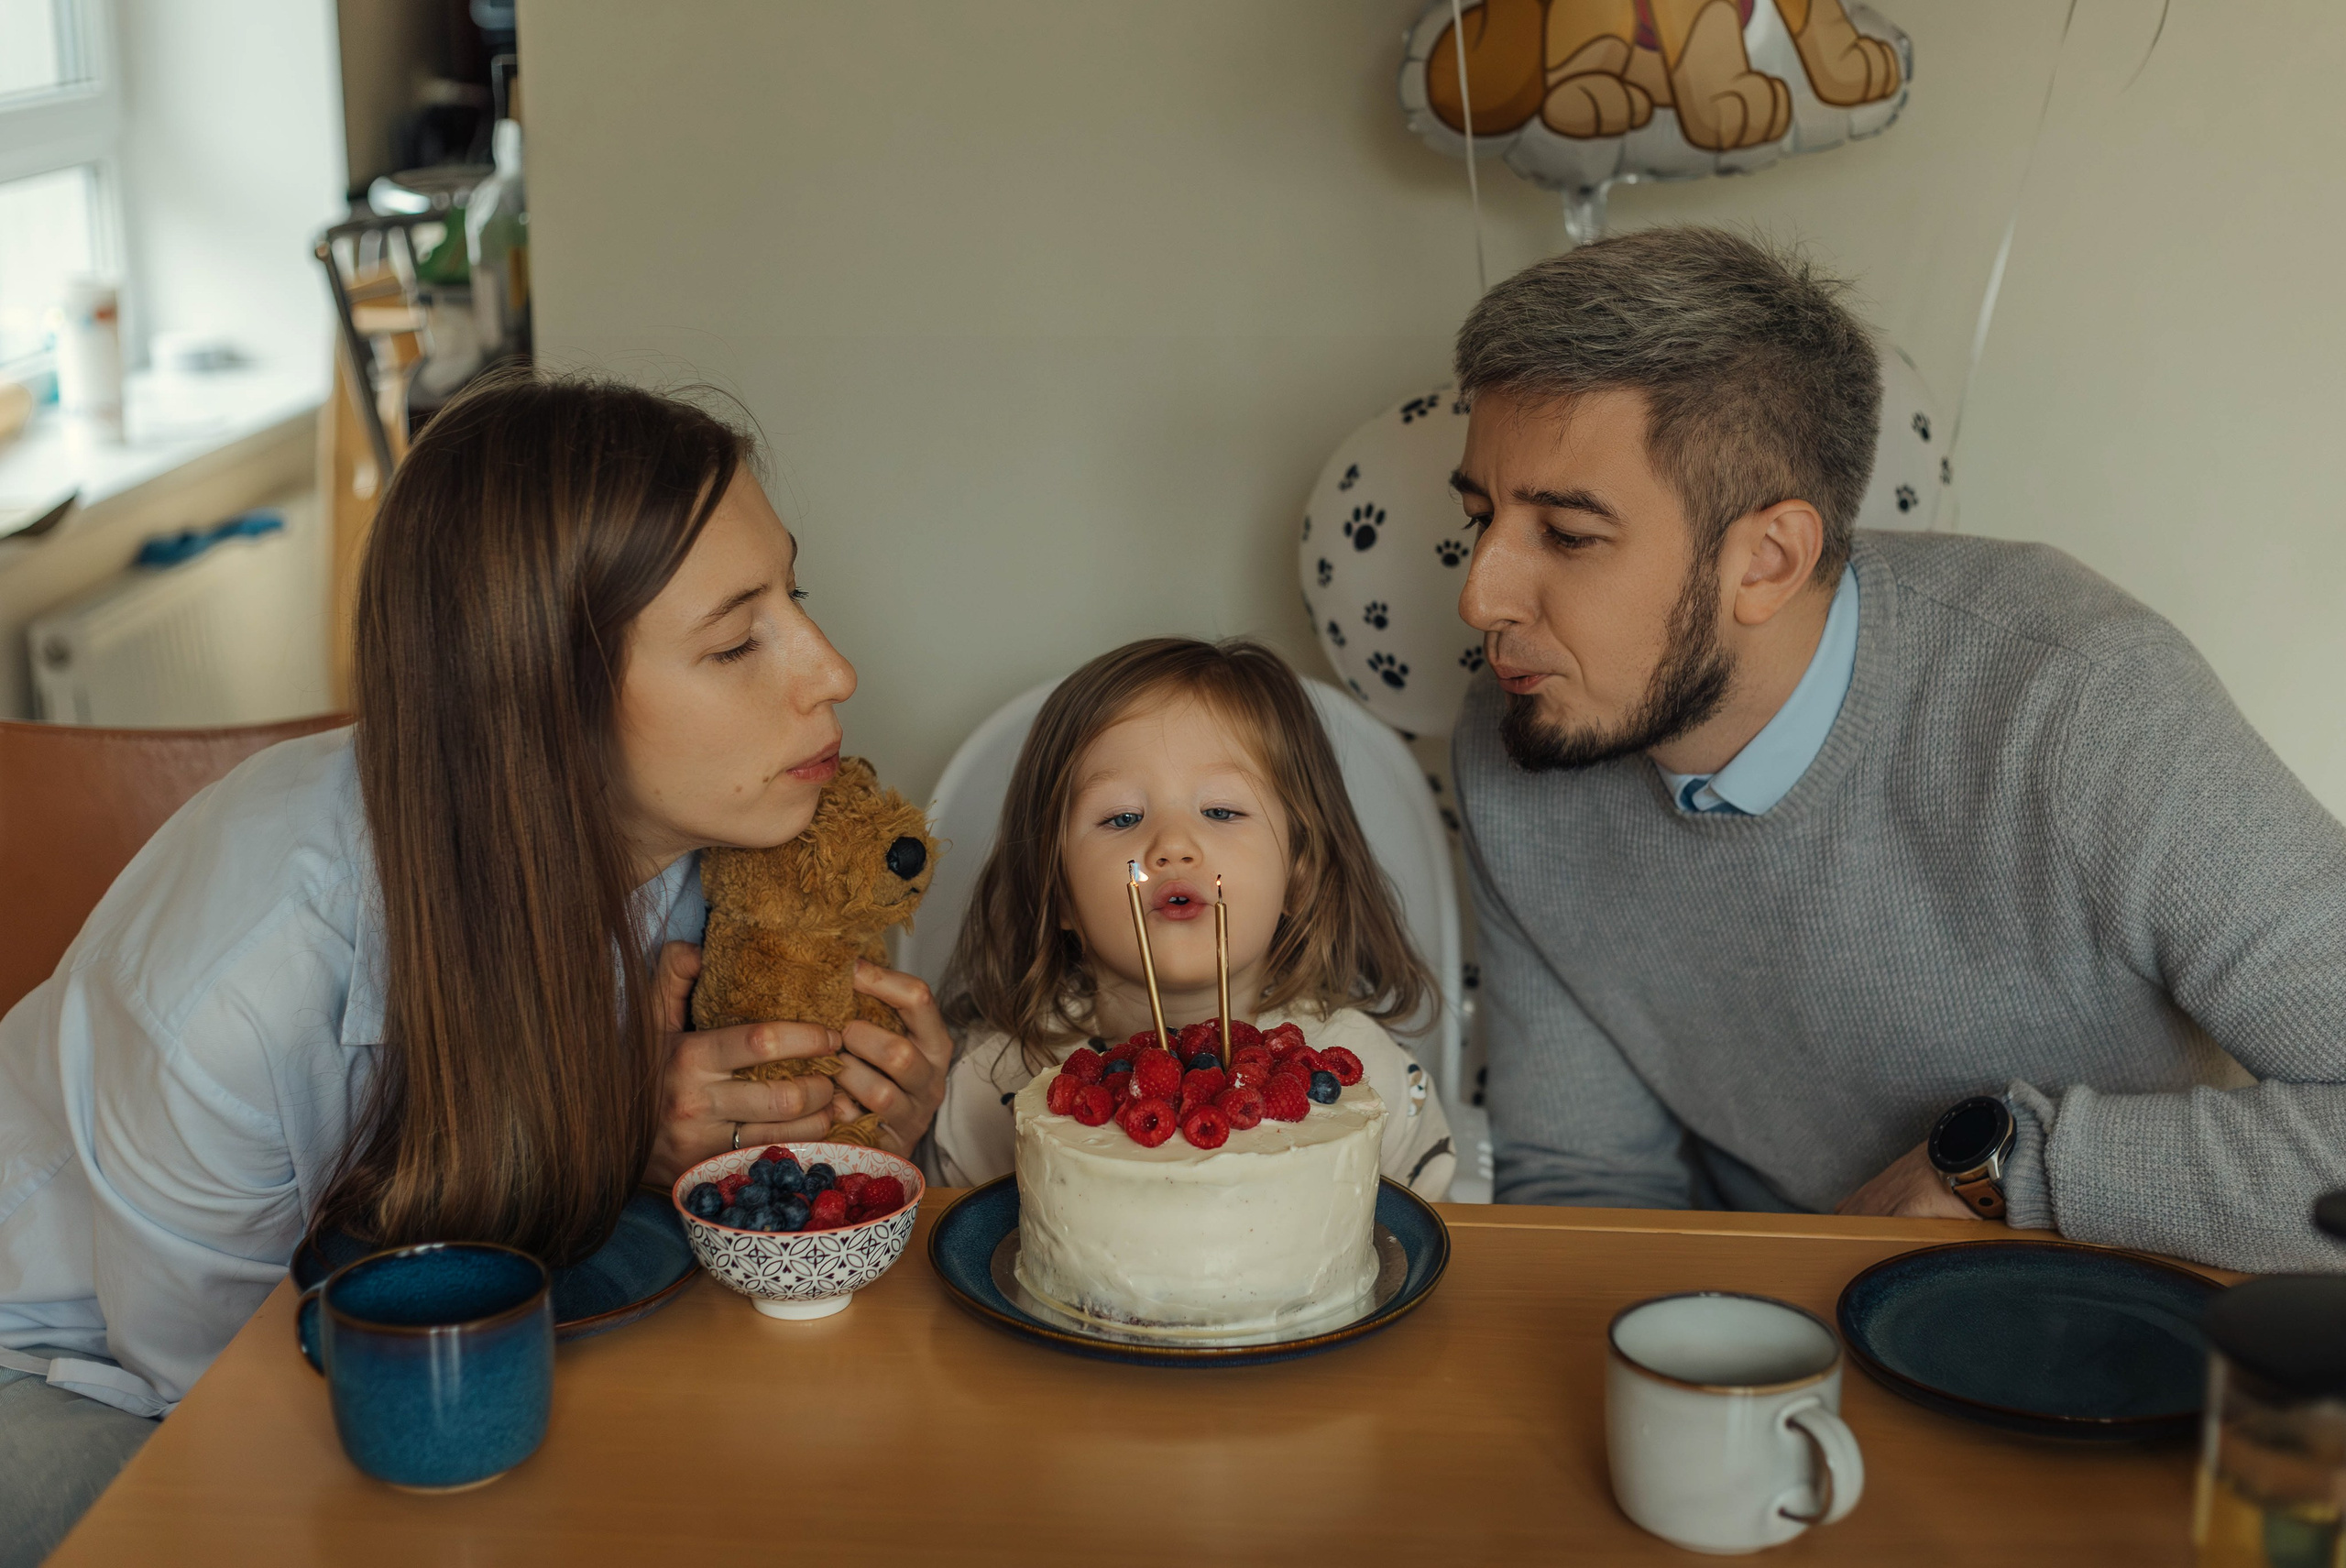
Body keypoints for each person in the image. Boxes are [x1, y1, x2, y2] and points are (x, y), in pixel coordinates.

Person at [0, 372, 955, 1564]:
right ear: (540, 696)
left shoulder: (734, 848)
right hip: (83, 1374)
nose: (833, 669)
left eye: (794, 597)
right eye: (733, 641)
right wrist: (614, 1142)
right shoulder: (236, 990)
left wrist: (857, 1135)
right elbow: (242, 1397)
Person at [1448, 225, 2346, 1272]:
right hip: (1782, 1317)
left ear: (1767, 559)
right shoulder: (1520, 734)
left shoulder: (2082, 700)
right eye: (1478, 517)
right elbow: (1589, 1188)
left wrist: (2014, 1174)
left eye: (1566, 536)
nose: (1479, 597)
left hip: (2134, 1316)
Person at [930, 637, 1455, 1198]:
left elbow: (1438, 1236)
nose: (1174, 846)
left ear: (1299, 874)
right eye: (1122, 817)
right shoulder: (994, 1085)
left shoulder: (1368, 1077)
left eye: (1220, 811)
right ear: (1057, 891)